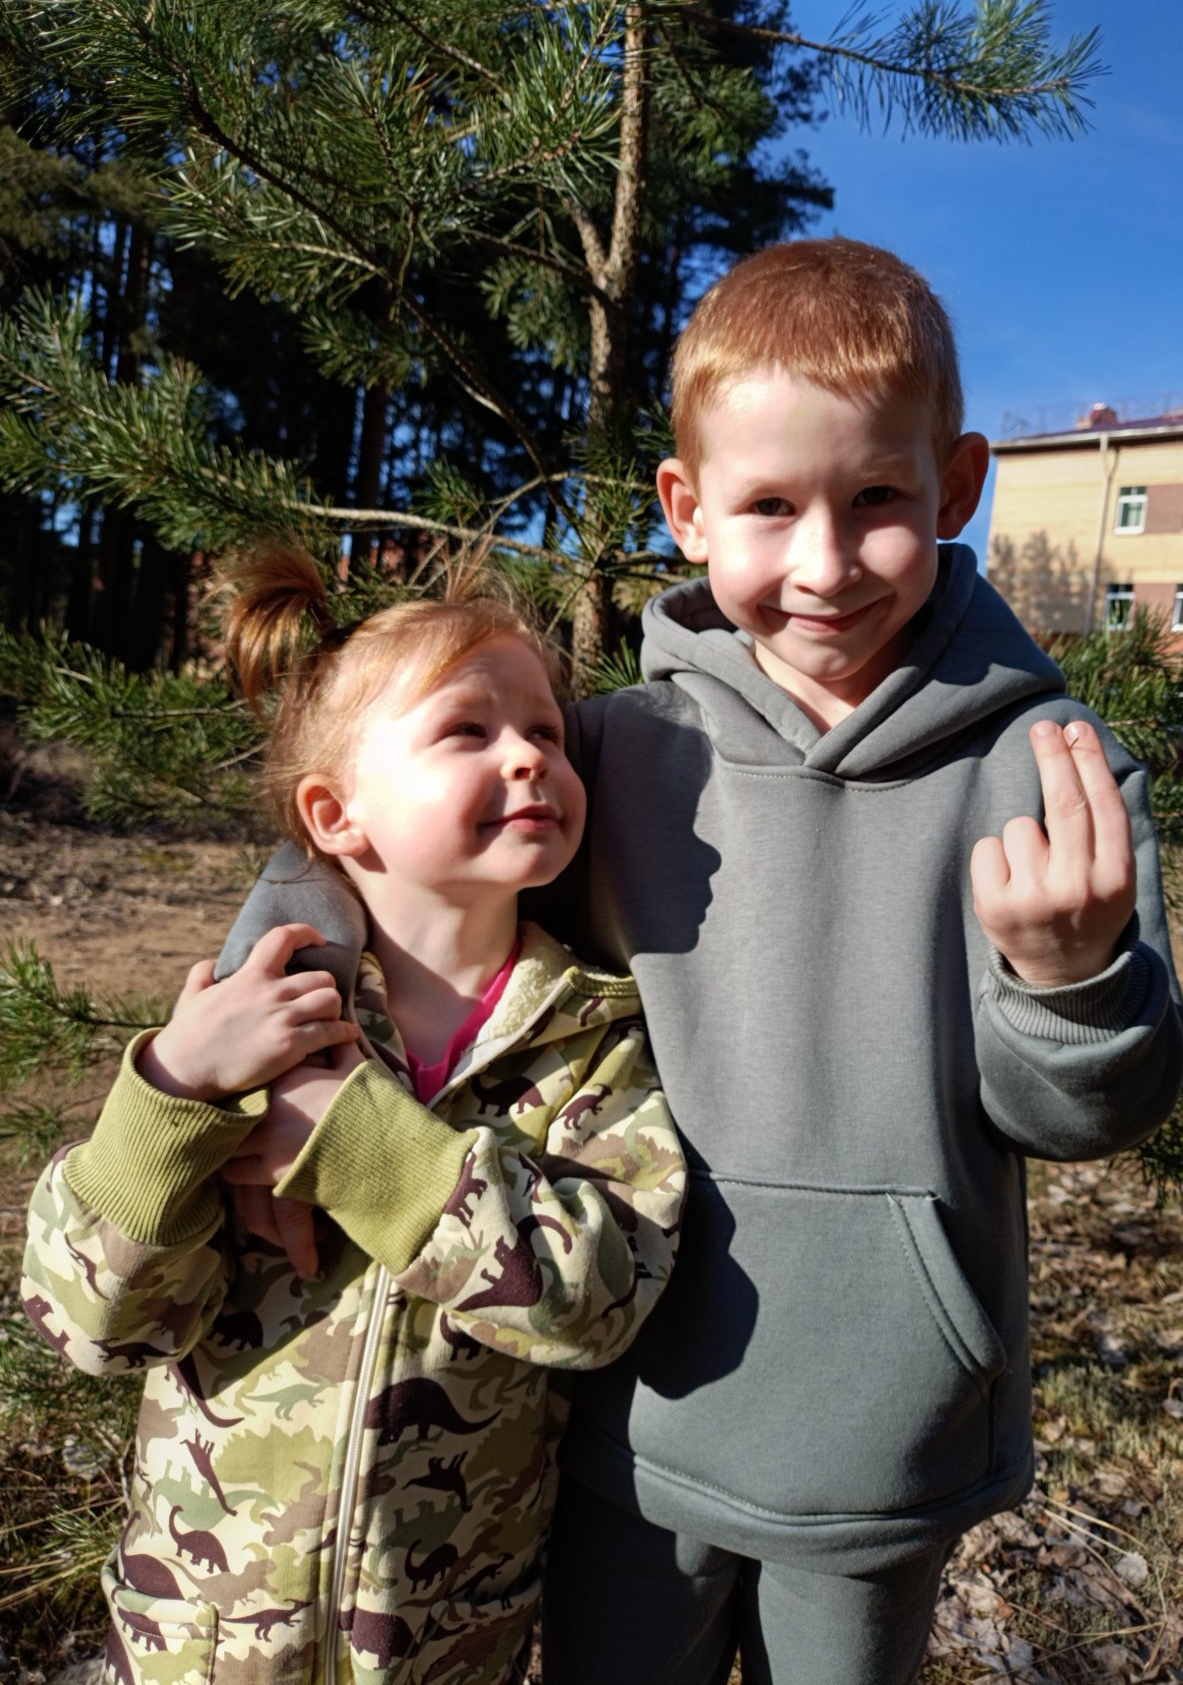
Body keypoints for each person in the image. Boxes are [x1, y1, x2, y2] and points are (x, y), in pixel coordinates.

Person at [215, 238, 1183, 1684]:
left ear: (956, 489)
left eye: (876, 501)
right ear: (685, 511)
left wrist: (1070, 976)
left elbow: (1090, 1115)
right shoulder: (612, 749)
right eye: (769, 507)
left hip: (886, 1433)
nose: (823, 562)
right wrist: (270, 1049)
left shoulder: (1045, 771)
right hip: (621, 1404)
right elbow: (359, 840)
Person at [21, 548, 686, 1685]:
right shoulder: (242, 1032)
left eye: (547, 730)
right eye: (467, 730)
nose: (530, 753)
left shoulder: (593, 1042)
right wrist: (171, 1092)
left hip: (443, 1645)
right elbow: (86, 1326)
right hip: (205, 1644)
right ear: (336, 815)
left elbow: (595, 1305)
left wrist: (358, 1145)